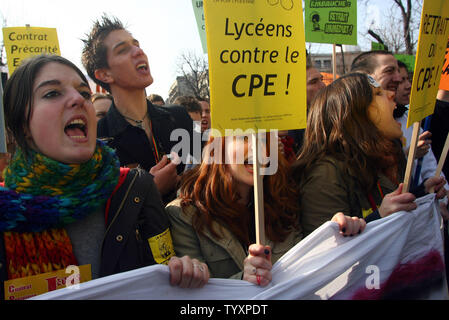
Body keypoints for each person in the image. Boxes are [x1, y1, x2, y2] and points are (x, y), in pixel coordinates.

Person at [0, 54, 209, 300]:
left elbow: (164, 271)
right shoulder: (6, 212)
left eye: (84, 93)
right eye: (52, 93)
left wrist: (184, 273)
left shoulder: (136, 188)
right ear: (23, 124)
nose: (78, 99)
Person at [166, 133, 366, 286]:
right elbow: (196, 295)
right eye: (244, 137)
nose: (257, 149)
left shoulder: (284, 200)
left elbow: (306, 268)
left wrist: (334, 235)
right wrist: (243, 280)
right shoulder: (185, 214)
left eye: (264, 139)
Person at [292, 73, 447, 237]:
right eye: (378, 94)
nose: (391, 94)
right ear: (355, 116)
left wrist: (422, 194)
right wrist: (379, 217)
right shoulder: (325, 174)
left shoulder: (385, 157)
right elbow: (325, 251)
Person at [81, 15, 194, 203]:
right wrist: (150, 190)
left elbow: (209, 179)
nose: (138, 51)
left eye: (136, 44)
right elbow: (103, 216)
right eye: (123, 50)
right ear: (104, 74)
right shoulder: (97, 143)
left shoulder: (180, 116)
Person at [287, 61, 326, 154]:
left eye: (322, 80)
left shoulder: (326, 115)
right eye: (314, 82)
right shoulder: (290, 123)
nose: (322, 86)